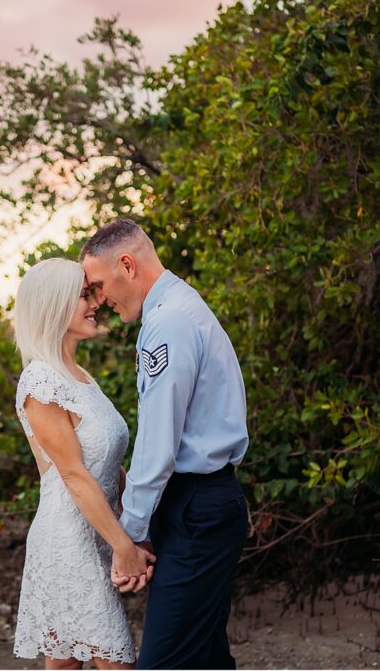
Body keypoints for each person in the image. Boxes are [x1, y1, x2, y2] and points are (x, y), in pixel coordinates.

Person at [80, 219, 250, 670]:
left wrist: (131, 536)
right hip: (202, 503)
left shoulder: (170, 322)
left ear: (127, 265)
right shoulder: (176, 308)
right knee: (207, 658)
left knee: (164, 663)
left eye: (98, 285)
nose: (99, 300)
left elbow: (158, 445)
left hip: (198, 508)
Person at [11, 257, 155, 669]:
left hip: (96, 533)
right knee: (114, 660)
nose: (95, 302)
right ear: (54, 305)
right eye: (82, 295)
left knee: (66, 663)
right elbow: (74, 475)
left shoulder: (79, 375)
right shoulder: (41, 382)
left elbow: (107, 464)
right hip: (68, 541)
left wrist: (137, 525)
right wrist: (123, 546)